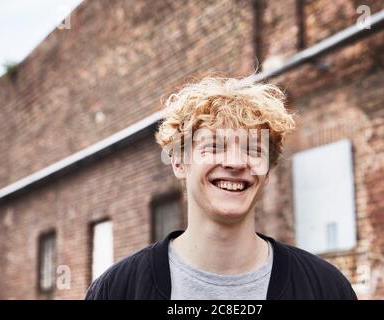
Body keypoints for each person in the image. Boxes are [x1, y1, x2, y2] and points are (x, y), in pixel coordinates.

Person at [85, 74, 357, 300]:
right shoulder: (117, 290)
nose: (236, 163)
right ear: (179, 162)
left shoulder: (326, 289)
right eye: (214, 147)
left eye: (253, 149)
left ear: (269, 167)